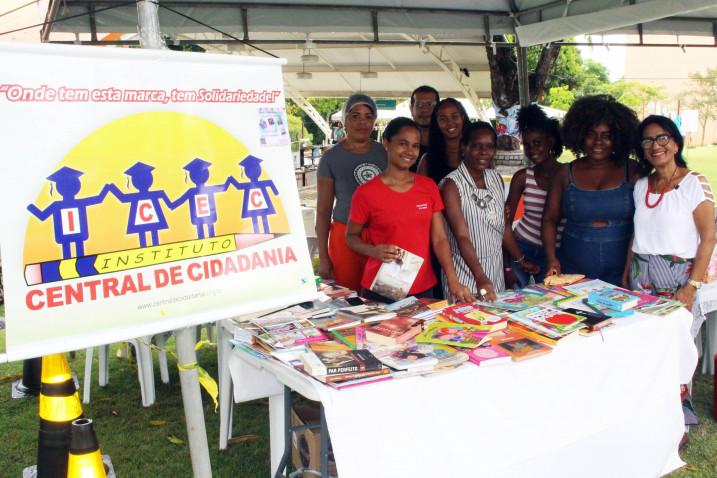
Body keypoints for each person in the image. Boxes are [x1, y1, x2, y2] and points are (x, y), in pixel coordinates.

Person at [346, 117, 474, 304]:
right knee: (382, 334)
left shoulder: (428, 187)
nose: (409, 151)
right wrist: (373, 251)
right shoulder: (366, 193)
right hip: (382, 288)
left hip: (423, 288)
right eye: (403, 144)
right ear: (386, 143)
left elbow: (439, 239)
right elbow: (351, 237)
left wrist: (453, 280)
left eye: (415, 146)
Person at [543, 95, 640, 285]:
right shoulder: (565, 173)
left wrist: (630, 271)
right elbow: (549, 219)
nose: (598, 142)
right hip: (573, 265)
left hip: (621, 266)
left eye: (607, 136)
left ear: (618, 138)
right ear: (579, 135)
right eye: (591, 134)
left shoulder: (632, 170)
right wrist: (552, 258)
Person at [625, 115, 716, 310]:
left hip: (678, 276)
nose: (655, 146)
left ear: (676, 144)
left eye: (662, 138)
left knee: (675, 336)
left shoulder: (694, 183)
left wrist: (691, 287)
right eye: (647, 140)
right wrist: (627, 270)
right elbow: (637, 233)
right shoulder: (641, 185)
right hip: (640, 272)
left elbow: (709, 238)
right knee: (641, 333)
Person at [441, 122, 539, 300]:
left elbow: (503, 227)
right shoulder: (451, 185)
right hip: (465, 275)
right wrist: (480, 276)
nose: (484, 152)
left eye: (489, 146)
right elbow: (462, 236)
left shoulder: (495, 178)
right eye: (477, 146)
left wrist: (520, 259)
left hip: (494, 273)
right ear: (464, 147)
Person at [316, 93, 387, 291]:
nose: (362, 122)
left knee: (382, 299)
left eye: (368, 116)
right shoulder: (331, 158)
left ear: (374, 121)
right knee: (349, 301)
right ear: (345, 120)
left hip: (380, 238)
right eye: (355, 116)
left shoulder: (385, 153)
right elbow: (323, 211)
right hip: (344, 236)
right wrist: (323, 256)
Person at [504, 105, 563, 287]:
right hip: (522, 247)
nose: (531, 150)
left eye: (537, 143)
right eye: (526, 145)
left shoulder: (568, 174)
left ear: (551, 142)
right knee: (516, 303)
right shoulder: (522, 177)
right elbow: (504, 222)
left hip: (554, 252)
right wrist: (513, 263)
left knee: (551, 303)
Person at [416, 98, 470, 184]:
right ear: (437, 123)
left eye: (454, 116)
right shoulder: (427, 160)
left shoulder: (478, 154)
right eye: (443, 119)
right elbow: (420, 194)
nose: (450, 122)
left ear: (462, 118)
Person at [409, 85, 440, 165]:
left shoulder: (448, 146)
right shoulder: (402, 146)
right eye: (419, 105)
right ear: (411, 109)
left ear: (438, 109)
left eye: (429, 104)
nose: (425, 110)